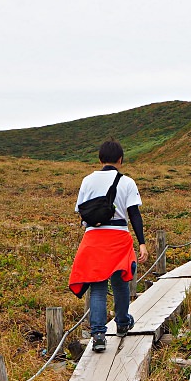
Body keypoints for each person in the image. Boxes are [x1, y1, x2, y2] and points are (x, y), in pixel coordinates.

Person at [68, 139, 149, 353]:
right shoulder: (127, 182)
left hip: (93, 238)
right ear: (120, 159)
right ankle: (122, 323)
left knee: (97, 287)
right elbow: (134, 215)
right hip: (119, 237)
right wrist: (142, 243)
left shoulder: (87, 181)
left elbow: (81, 211)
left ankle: (98, 335)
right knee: (121, 283)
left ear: (100, 159)